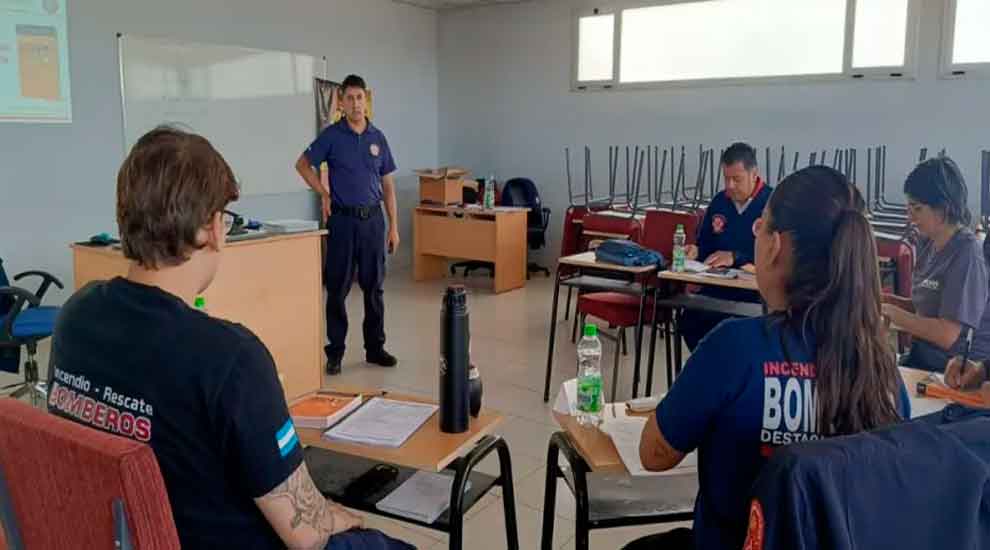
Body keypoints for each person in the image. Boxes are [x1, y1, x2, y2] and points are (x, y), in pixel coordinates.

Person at [48, 126, 410, 550]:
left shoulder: (75, 317)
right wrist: (335, 515)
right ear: (210, 228)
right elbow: (307, 533)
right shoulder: (231, 358)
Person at [630, 166, 910, 550]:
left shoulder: (733, 349)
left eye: (760, 228)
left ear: (775, 245)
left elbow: (654, 455)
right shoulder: (883, 371)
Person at [295, 74, 399, 375]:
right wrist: (323, 192)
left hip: (373, 222)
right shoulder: (331, 136)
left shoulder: (378, 138)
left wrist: (394, 226)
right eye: (350, 98)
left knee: (374, 288)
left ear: (366, 101)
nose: (355, 103)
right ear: (340, 102)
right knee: (337, 289)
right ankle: (336, 352)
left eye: (359, 98)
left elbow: (388, 186)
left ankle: (375, 348)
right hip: (342, 221)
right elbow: (302, 164)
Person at [882, 157, 990, 376]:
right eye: (909, 207)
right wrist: (882, 300)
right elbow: (924, 307)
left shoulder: (967, 254)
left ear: (943, 210)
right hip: (925, 356)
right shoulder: (929, 243)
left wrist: (891, 313)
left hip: (953, 371)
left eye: (917, 209)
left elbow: (946, 334)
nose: (909, 216)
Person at [680, 142, 772, 350]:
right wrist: (695, 251)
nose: (730, 185)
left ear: (754, 174)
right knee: (689, 320)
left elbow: (776, 257)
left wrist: (735, 257)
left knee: (738, 332)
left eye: (736, 179)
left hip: (754, 294)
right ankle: (710, 374)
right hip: (717, 288)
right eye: (726, 178)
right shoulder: (720, 202)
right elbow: (705, 244)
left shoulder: (772, 204)